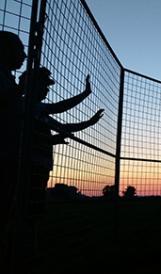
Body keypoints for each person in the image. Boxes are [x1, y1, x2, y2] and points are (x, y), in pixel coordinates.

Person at [18, 67, 104, 240]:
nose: (47, 90)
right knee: (25, 206)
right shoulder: (26, 105)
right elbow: (60, 108)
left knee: (35, 206)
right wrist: (85, 93)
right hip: (29, 165)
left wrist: (89, 122)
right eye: (44, 86)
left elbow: (63, 127)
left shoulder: (38, 111)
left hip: (41, 165)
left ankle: (28, 244)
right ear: (31, 85)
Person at [0, 31, 26, 260]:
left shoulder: (8, 78)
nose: (24, 55)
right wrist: (20, 89)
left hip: (9, 154)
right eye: (20, 50)